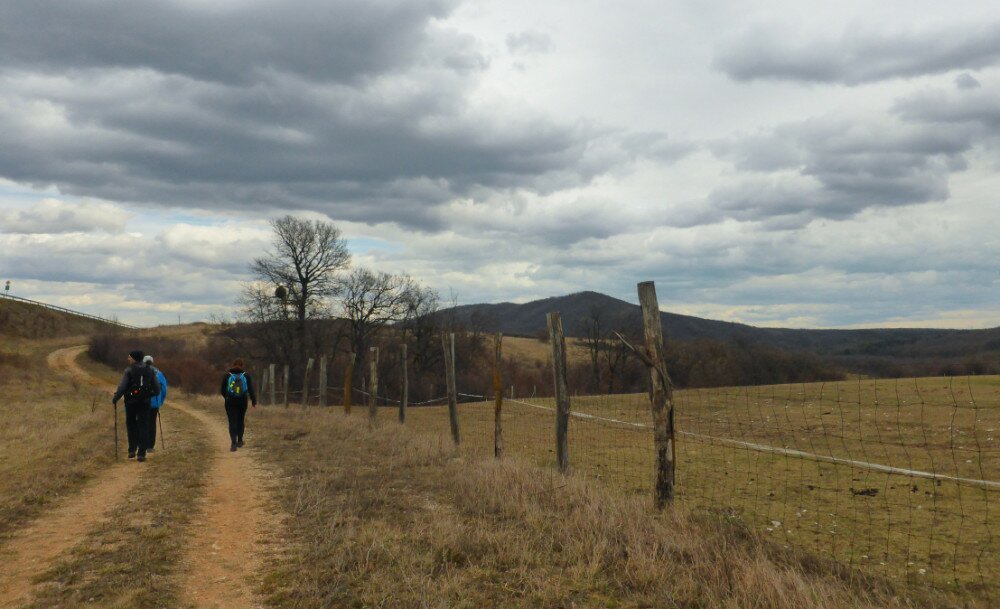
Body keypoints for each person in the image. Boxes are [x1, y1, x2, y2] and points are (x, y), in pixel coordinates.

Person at [112, 350, 160, 462]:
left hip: (130, 402)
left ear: (134, 358)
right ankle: (141, 454)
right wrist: (150, 394)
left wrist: (115, 398)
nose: (128, 359)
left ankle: (132, 450)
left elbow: (122, 387)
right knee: (144, 426)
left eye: (129, 357)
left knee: (131, 424)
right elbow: (157, 389)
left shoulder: (128, 370)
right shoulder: (150, 370)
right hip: (145, 402)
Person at [220, 358, 256, 451]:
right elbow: (250, 389)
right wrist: (253, 401)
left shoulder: (227, 375)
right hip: (242, 401)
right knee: (240, 420)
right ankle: (240, 441)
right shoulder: (246, 375)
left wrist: (227, 397)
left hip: (230, 401)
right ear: (242, 365)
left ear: (233, 365)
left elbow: (222, 390)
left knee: (232, 421)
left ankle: (233, 444)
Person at [143, 355, 168, 451]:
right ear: (152, 362)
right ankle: (150, 446)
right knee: (152, 423)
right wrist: (161, 401)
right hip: (155, 403)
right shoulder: (159, 374)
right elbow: (164, 389)